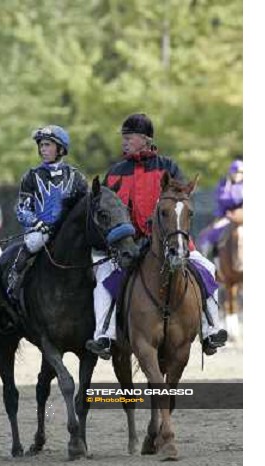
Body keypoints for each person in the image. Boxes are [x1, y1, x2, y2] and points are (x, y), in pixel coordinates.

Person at [85, 113, 228, 358]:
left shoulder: (168, 167)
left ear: (145, 139)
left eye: (129, 137)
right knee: (104, 276)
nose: (124, 142)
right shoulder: (116, 172)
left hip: (170, 242)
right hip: (128, 245)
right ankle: (104, 336)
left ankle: (211, 329)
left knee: (205, 267)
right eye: (124, 137)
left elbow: (181, 203)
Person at [7, 125, 89, 299]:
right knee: (33, 243)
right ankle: (13, 283)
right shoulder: (31, 176)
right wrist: (37, 224)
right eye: (41, 145)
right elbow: (22, 209)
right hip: (40, 231)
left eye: (47, 145)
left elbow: (84, 209)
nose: (43, 149)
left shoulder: (77, 178)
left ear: (60, 149)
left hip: (69, 233)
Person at [198, 159, 243, 257]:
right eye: (235, 172)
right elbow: (222, 199)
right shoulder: (224, 184)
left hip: (242, 217)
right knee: (209, 234)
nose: (238, 175)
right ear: (231, 173)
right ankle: (209, 258)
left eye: (240, 173)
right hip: (227, 217)